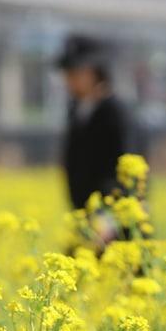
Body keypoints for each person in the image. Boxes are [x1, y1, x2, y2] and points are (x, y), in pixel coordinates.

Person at [56, 34, 138, 242]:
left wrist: (108, 217)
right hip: (86, 219)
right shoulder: (76, 109)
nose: (69, 80)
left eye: (75, 73)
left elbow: (126, 168)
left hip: (115, 226)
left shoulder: (116, 111)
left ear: (95, 73)